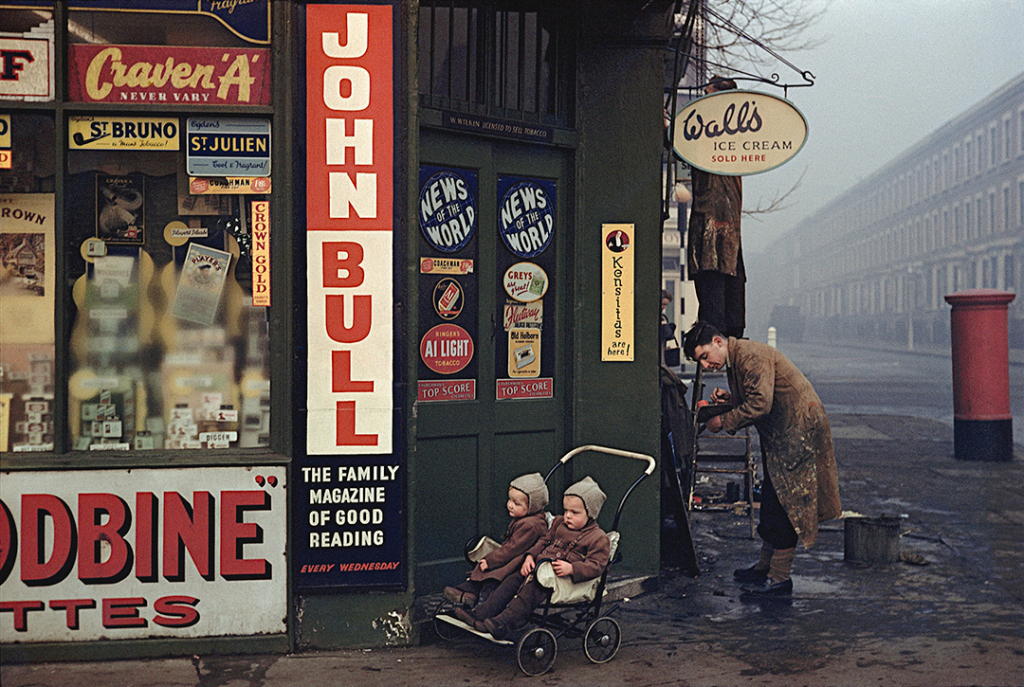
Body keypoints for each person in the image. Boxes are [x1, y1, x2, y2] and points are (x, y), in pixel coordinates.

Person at [682, 320, 841, 596]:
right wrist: (730, 400)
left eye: (705, 357)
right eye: (701, 362)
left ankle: (780, 579)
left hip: (797, 430)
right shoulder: (737, 358)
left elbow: (760, 404)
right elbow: (758, 395)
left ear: (718, 342)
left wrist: (724, 419)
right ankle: (764, 567)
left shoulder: (751, 356)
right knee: (771, 496)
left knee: (786, 502)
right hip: (782, 433)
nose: (706, 366)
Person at [455, 476, 611, 639]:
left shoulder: (597, 538)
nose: (568, 516)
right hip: (539, 568)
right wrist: (530, 556)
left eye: (574, 512)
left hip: (561, 580)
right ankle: (482, 613)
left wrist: (572, 568)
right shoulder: (559, 523)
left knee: (530, 592)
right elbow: (543, 541)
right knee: (511, 581)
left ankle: (505, 621)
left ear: (591, 513)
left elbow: (597, 565)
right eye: (566, 511)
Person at [686, 76, 745, 339]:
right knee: (715, 276)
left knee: (724, 277)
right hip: (711, 221)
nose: (703, 98)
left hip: (724, 225)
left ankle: (721, 331)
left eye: (708, 93)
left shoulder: (730, 132)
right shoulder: (702, 130)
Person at [444, 473, 549, 608]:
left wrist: (491, 560)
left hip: (519, 561)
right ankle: (471, 590)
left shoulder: (530, 525)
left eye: (516, 503)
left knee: (492, 569)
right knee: (489, 566)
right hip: (514, 555)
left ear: (532, 507)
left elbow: (513, 548)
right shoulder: (525, 520)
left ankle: (481, 598)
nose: (510, 505)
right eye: (510, 500)